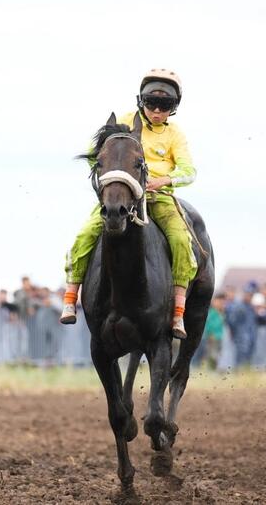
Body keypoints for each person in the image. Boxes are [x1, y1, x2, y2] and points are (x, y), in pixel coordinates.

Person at [60, 69, 197, 339]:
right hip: (122, 196)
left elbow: (189, 171)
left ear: (174, 107)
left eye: (165, 106)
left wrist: (163, 181)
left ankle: (178, 311)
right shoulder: (122, 122)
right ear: (141, 101)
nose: (157, 110)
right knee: (85, 234)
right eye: (151, 103)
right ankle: (70, 297)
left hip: (160, 198)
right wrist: (113, 180)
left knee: (182, 239)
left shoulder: (175, 135)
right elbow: (94, 156)